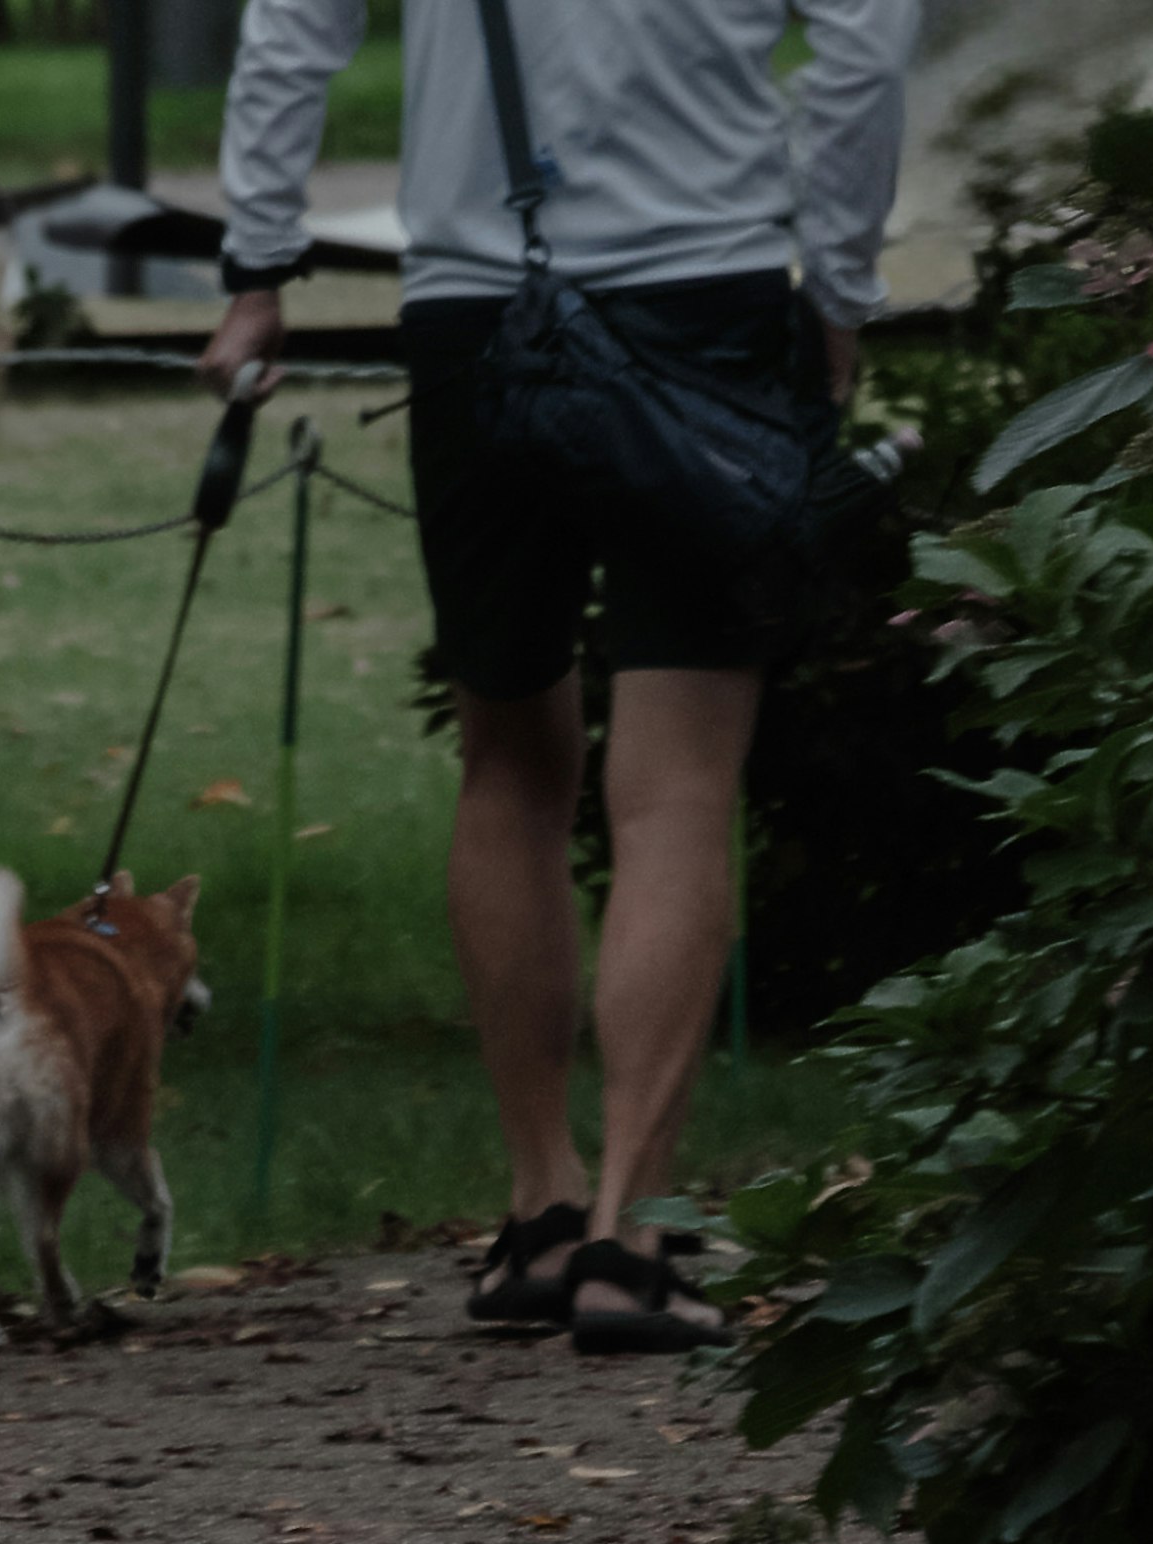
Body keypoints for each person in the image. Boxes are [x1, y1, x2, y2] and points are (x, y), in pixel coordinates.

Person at [203, 0, 920, 1349]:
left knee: (510, 762)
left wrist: (259, 268)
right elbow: (864, 53)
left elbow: (293, 21)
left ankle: (539, 1203)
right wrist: (838, 286)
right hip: (701, 303)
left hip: (473, 313)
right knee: (679, 791)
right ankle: (630, 1241)